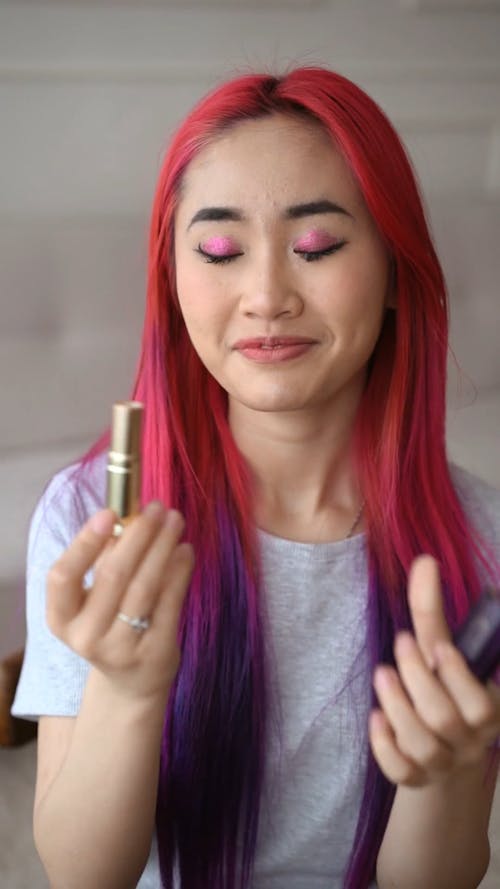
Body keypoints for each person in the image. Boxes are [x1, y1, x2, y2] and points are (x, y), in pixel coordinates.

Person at [12, 66, 500, 889]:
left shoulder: (475, 542)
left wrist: (445, 774)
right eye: (219, 251)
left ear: (393, 270)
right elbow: (80, 874)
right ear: (173, 278)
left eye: (316, 247)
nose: (267, 295)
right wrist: (129, 693)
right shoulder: (95, 517)